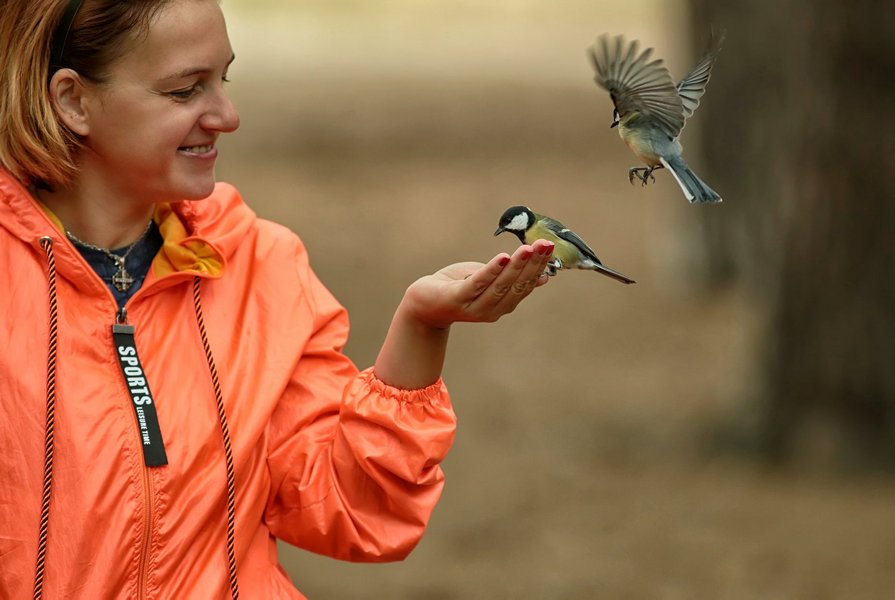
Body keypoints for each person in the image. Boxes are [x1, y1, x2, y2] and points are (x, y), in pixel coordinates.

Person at [0, 0, 555, 597]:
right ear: (72, 100)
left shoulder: (260, 264)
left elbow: (353, 509)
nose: (228, 115)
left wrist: (420, 330)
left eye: (224, 79)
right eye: (186, 91)